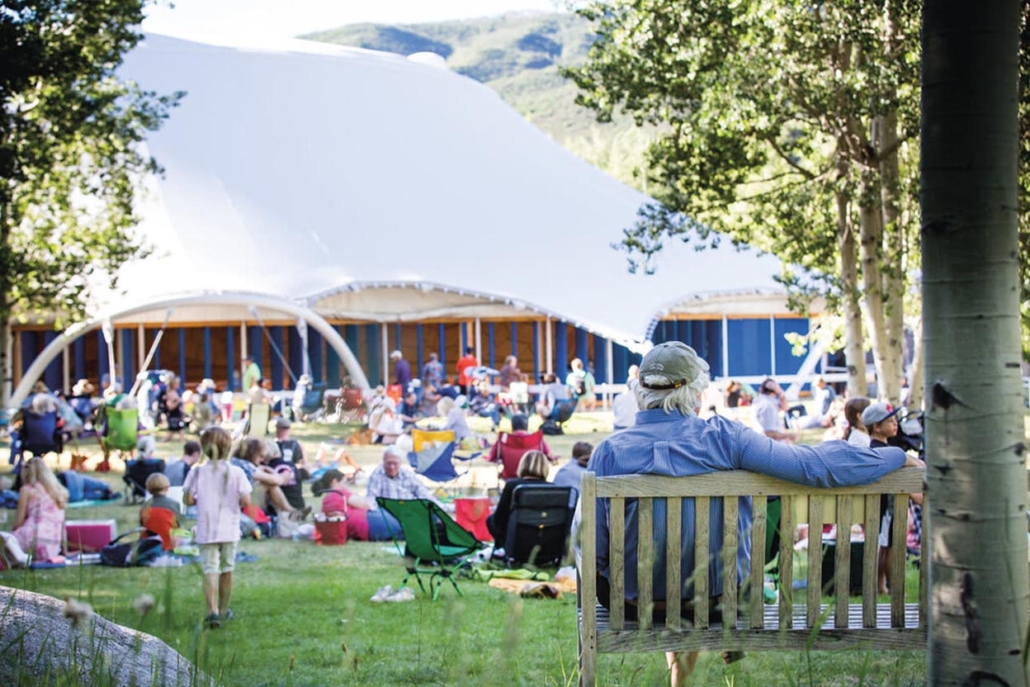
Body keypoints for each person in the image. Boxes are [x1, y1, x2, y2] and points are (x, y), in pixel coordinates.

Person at [587, 341, 922, 685]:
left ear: (640, 392)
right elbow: (815, 467)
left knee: (665, 566)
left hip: (633, 606)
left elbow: (592, 550)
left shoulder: (609, 453)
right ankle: (710, 641)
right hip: (718, 602)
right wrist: (898, 456)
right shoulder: (724, 438)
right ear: (696, 394)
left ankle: (680, 676)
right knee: (707, 572)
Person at [183, 427, 252, 629]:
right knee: (227, 568)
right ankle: (223, 610)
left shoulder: (197, 472)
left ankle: (212, 610)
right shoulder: (236, 472)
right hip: (229, 528)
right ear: (228, 447)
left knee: (209, 569)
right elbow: (246, 499)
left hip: (206, 527)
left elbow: (188, 499)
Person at [861, 401, 922, 595]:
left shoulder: (881, 448)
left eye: (895, 419)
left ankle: (881, 586)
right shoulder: (882, 451)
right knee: (889, 546)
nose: (895, 424)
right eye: (889, 421)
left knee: (885, 546)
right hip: (886, 508)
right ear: (876, 427)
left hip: (885, 507)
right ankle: (893, 587)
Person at [486, 450, 551, 544]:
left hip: (515, 541)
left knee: (491, 520)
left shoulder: (513, 486)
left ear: (522, 465)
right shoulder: (554, 488)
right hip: (543, 540)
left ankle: (502, 549)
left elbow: (499, 519)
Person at [312, 469, 396, 541]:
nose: (345, 485)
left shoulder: (327, 500)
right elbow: (365, 504)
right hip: (368, 523)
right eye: (344, 482)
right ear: (335, 481)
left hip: (359, 529)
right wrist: (351, 492)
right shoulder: (340, 493)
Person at [12, 456, 68, 563]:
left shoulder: (27, 490)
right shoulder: (58, 491)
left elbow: (18, 522)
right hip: (52, 546)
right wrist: (64, 550)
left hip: (33, 539)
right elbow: (62, 524)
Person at [231, 438, 302, 520]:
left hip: (234, 499)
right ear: (252, 454)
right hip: (239, 502)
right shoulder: (247, 466)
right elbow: (277, 480)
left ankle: (287, 512)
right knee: (269, 485)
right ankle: (290, 511)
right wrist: (285, 474)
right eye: (260, 456)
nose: (262, 460)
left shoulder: (236, 461)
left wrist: (264, 468)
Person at [140, 472, 183, 550]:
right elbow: (177, 527)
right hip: (168, 545)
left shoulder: (144, 506)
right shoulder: (173, 504)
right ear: (167, 487)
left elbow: (143, 527)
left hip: (149, 545)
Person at [753, 378, 797, 442]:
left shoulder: (760, 400)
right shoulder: (767, 406)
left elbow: (785, 407)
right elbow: (769, 434)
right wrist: (789, 435)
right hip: (772, 448)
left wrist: (781, 394)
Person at [612, 366, 640, 431]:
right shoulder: (639, 398)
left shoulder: (618, 397)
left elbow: (615, 413)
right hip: (634, 427)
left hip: (618, 427)